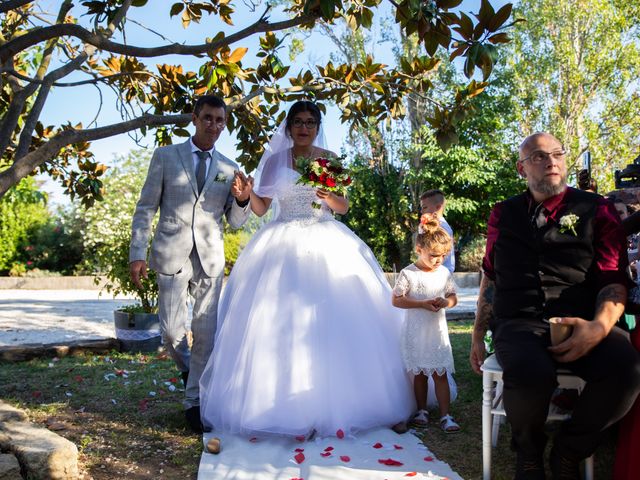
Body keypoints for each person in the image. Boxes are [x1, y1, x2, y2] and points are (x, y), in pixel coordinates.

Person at [199, 100, 414, 437]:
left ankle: (349, 402)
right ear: (288, 127)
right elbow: (260, 208)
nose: (303, 127)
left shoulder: (328, 158)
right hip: (281, 241)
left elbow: (342, 206)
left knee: (336, 319)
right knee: (277, 320)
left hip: (326, 238)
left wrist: (326, 195)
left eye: (310, 122)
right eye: (298, 121)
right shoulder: (273, 161)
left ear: (317, 126)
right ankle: (282, 404)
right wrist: (246, 194)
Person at [468, 132, 640, 479]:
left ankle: (569, 450)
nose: (551, 161)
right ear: (521, 168)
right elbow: (491, 275)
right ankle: (529, 454)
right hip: (519, 320)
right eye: (539, 156)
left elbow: (613, 279)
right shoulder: (502, 214)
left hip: (583, 319)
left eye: (558, 154)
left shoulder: (597, 209)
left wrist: (599, 327)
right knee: (531, 375)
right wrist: (477, 332)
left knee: (626, 370)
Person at [129, 94, 251, 433]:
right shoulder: (166, 156)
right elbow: (145, 208)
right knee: (170, 332)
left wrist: (242, 199)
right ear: (194, 118)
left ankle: (194, 401)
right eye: (208, 118)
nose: (214, 125)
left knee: (206, 332)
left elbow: (237, 221)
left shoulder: (229, 168)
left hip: (210, 257)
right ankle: (189, 373)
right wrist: (137, 252)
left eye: (220, 121)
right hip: (171, 252)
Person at [392, 213, 461, 433]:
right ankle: (421, 410)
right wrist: (421, 304)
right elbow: (396, 300)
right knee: (419, 374)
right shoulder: (408, 273)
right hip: (415, 331)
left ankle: (445, 415)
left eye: (442, 256)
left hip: (436, 332)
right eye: (433, 255)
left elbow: (453, 297)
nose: (438, 260)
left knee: (440, 373)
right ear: (419, 249)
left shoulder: (443, 273)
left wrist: (445, 302)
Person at [420, 190, 455, 273]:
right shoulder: (431, 226)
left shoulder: (442, 228)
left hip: (438, 274)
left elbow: (437, 254)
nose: (422, 211)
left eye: (424, 207)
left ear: (438, 207)